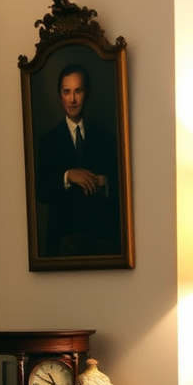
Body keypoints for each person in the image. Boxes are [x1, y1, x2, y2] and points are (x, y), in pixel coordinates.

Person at [35, 63, 121, 258]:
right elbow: (41, 191)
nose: (72, 99)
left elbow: (123, 187)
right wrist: (68, 176)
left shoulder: (106, 138)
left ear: (87, 93)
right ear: (60, 96)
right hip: (63, 243)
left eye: (78, 91)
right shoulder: (48, 141)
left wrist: (104, 182)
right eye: (67, 92)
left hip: (103, 242)